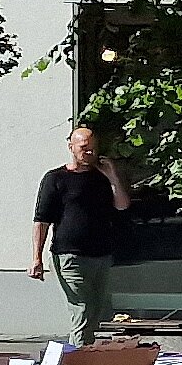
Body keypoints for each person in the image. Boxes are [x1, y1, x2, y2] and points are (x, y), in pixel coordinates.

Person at [28, 125, 134, 342]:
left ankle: (87, 358)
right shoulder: (56, 178)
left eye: (94, 148)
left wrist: (112, 176)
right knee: (82, 309)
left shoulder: (102, 177)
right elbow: (41, 221)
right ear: (71, 147)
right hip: (70, 256)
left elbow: (122, 205)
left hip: (101, 255)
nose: (90, 152)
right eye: (85, 147)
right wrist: (36, 259)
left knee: (96, 312)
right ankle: (78, 362)